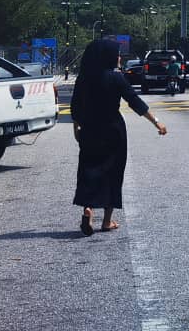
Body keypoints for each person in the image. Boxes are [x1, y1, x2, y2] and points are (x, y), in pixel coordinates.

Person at [71, 38, 167, 236]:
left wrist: (77, 128)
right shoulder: (116, 78)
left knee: (89, 169)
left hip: (89, 129)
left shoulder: (83, 78)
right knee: (112, 173)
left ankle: (87, 209)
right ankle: (106, 221)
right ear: (108, 57)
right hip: (113, 131)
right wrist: (156, 121)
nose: (119, 57)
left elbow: (76, 107)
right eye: (117, 54)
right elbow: (134, 101)